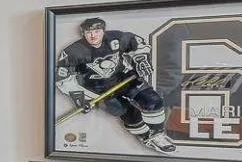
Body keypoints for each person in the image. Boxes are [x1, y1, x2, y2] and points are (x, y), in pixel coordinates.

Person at [55, 17, 175, 154]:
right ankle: (145, 136)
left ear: (103, 31)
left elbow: (136, 43)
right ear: (83, 33)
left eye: (97, 31)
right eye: (88, 32)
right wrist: (79, 97)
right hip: (97, 89)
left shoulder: (115, 38)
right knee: (124, 112)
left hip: (125, 77)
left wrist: (141, 59)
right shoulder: (73, 51)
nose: (93, 35)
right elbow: (63, 77)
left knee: (152, 100)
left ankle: (157, 134)